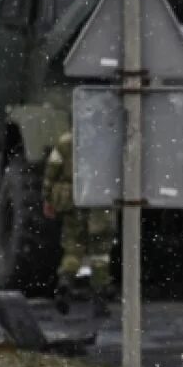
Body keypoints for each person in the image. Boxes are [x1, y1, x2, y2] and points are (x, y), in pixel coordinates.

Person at [41, 130, 115, 317]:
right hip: (101, 198)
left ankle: (66, 281)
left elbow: (52, 170)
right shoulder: (109, 138)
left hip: (73, 197)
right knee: (100, 252)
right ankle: (99, 297)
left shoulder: (66, 140)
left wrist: (48, 197)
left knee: (73, 247)